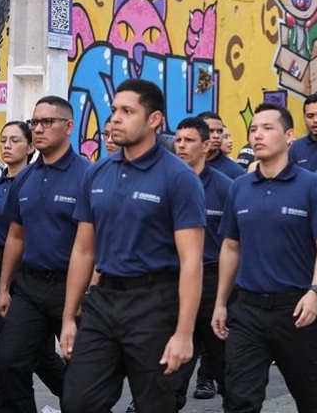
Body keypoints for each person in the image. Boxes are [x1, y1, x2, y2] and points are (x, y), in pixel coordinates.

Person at [60, 79, 205, 412]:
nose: (115, 120)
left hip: (154, 304)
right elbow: (83, 250)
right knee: (78, 402)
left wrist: (184, 333)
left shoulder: (179, 179)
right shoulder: (97, 174)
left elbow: (192, 260)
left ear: (154, 120)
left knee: (153, 405)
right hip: (103, 301)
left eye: (127, 111)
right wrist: (69, 318)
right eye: (114, 111)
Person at [211, 102, 317, 412]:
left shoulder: (312, 185)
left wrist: (315, 292)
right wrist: (220, 302)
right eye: (253, 129)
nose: (258, 135)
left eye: (267, 128)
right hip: (247, 311)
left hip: (296, 309)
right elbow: (231, 247)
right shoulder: (239, 188)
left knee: (312, 401)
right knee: (240, 399)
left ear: (289, 136)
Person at [0, 96, 90, 411]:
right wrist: (4, 287)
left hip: (73, 287)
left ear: (68, 126)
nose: (38, 128)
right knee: (9, 362)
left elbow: (95, 242)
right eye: (34, 122)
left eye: (47, 122)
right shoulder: (24, 177)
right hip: (31, 287)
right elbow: (16, 235)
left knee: (79, 377)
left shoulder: (87, 176)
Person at [0, 121, 64, 412]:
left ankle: (78, 396)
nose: (6, 145)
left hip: (29, 265)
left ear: (30, 147)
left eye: (15, 140)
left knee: (36, 353)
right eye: (3, 140)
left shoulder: (34, 183)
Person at [173, 117, 231, 408]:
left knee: (227, 366)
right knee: (169, 365)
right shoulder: (165, 183)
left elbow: (236, 245)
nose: (181, 146)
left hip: (212, 281)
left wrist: (225, 296)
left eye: (188, 140)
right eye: (178, 139)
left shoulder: (226, 188)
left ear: (207, 145)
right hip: (173, 280)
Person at [197, 112, 245, 179]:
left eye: (219, 131)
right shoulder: (185, 163)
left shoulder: (236, 173)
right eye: (211, 131)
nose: (216, 136)